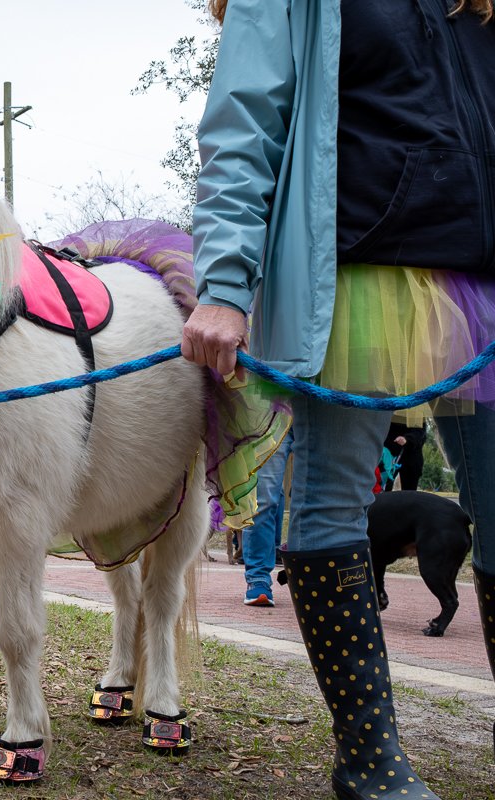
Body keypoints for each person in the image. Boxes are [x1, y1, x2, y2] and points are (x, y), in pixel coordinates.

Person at [180, 1, 495, 798]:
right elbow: (241, 122)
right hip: (353, 273)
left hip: (481, 282)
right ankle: (370, 761)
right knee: (331, 505)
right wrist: (224, 283)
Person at [242, 428, 293, 606]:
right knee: (263, 498)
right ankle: (258, 577)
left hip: (320, 407)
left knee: (313, 497)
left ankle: (309, 576)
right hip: (275, 409)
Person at [382, 419, 426, 491]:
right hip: (389, 455)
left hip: (411, 457)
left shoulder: (417, 411)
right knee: (384, 488)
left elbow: (420, 433)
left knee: (409, 492)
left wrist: (407, 439)